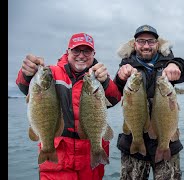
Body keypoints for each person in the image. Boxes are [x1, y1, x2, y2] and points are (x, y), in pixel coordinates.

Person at [16, 32, 122, 180]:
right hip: (59, 155)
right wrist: (27, 74)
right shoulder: (52, 73)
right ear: (68, 51)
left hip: (89, 155)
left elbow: (115, 98)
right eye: (77, 50)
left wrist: (105, 82)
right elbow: (24, 86)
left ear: (93, 54)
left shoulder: (99, 76)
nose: (81, 55)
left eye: (87, 51)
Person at [114, 24, 184, 180]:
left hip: (166, 140)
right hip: (133, 144)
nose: (146, 46)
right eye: (141, 41)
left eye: (151, 41)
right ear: (134, 44)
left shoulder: (168, 61)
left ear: (158, 43)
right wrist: (120, 77)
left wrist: (176, 65)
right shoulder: (126, 64)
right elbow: (117, 88)